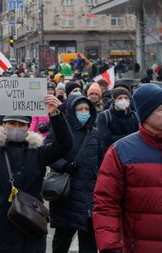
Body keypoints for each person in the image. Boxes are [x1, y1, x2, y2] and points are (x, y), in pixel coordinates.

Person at [0, 93, 73, 253]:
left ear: (28, 128)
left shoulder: (38, 152)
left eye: (21, 124)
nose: (16, 127)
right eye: (11, 123)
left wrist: (55, 115)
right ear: (3, 124)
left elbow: (65, 144)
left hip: (29, 222)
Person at [93, 83, 162, 252]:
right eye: (161, 109)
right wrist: (111, 246)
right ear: (146, 114)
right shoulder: (120, 151)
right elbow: (106, 204)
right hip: (139, 246)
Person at [46, 95, 103, 253]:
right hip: (66, 194)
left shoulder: (95, 133)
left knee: (89, 244)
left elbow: (103, 161)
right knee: (62, 242)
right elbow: (47, 153)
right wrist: (64, 165)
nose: (84, 112)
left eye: (86, 109)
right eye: (80, 109)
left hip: (90, 195)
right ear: (72, 111)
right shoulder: (61, 129)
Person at [96, 87, 139, 155]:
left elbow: (139, 136)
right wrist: (130, 138)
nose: (123, 100)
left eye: (126, 98)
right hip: (112, 154)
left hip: (131, 153)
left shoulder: (135, 116)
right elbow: (106, 138)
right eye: (120, 98)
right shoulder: (104, 116)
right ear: (114, 100)